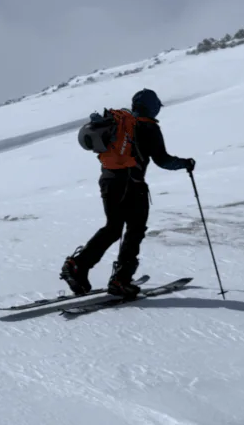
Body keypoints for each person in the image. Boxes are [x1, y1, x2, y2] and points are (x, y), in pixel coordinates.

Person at [61, 88, 195, 298]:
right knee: (135, 229)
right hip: (131, 184)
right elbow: (162, 160)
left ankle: (77, 266)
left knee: (113, 228)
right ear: (153, 107)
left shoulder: (119, 124)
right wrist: (185, 163)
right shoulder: (147, 127)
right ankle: (121, 280)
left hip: (108, 180)